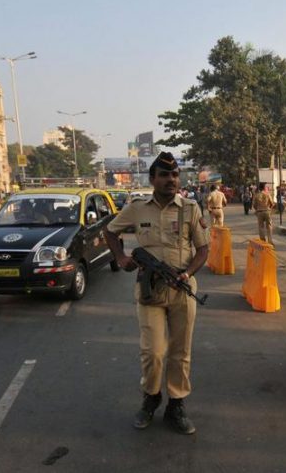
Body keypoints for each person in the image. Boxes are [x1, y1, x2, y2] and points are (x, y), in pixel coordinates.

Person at [103, 152, 209, 435]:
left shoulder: (190, 208)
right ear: (153, 179)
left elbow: (203, 250)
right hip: (149, 290)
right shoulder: (137, 208)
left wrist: (187, 274)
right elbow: (110, 231)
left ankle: (177, 404)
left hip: (182, 290)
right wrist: (121, 258)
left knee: (180, 351)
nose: (171, 180)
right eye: (164, 175)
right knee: (152, 351)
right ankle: (151, 398)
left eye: (175, 175)